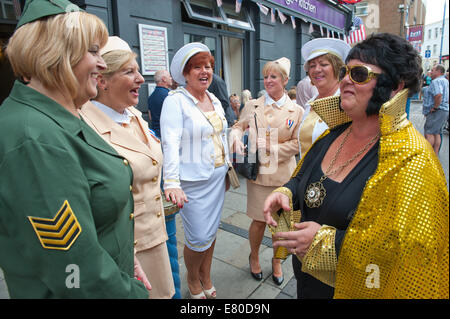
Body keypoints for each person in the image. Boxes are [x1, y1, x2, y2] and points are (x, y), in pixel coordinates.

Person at [263, 33, 449, 299]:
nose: (346, 80)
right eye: (345, 72)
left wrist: (328, 243)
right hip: (307, 283)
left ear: (395, 86)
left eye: (359, 74)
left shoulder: (412, 157)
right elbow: (303, 175)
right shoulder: (336, 132)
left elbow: (411, 250)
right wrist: (286, 192)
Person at [0, 0, 149, 298]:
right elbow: (74, 273)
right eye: (93, 51)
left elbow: (92, 220)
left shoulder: (59, 113)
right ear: (55, 51)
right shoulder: (34, 137)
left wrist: (125, 258)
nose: (103, 64)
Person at [79, 36, 175, 299]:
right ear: (102, 80)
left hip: (156, 234)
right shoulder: (86, 127)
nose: (141, 79)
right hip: (127, 247)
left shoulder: (132, 114)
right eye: (129, 71)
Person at [160, 42, 229, 299]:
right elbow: (170, 141)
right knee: (198, 236)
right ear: (186, 73)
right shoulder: (176, 101)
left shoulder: (213, 98)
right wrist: (171, 182)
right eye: (197, 67)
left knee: (210, 233)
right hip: (193, 183)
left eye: (208, 66)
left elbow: (220, 133)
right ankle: (192, 277)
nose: (204, 71)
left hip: (218, 178)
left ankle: (206, 275)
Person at [230, 57, 304, 286]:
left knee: (281, 224)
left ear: (285, 80)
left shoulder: (297, 110)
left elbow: (297, 145)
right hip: (259, 176)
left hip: (284, 178)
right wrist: (234, 137)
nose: (268, 80)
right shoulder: (252, 105)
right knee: (259, 221)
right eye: (266, 76)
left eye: (273, 76)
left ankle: (277, 261)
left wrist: (271, 147)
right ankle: (254, 256)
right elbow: (237, 126)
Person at [297, 38, 351, 159]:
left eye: (324, 64)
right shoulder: (310, 104)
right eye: (312, 66)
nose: (316, 69)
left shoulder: (345, 103)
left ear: (337, 68)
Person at [424, 64, 449, 155]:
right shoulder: (445, 81)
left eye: (433, 70)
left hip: (437, 111)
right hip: (444, 110)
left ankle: (428, 155)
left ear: (438, 72)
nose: (431, 71)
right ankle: (435, 154)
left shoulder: (436, 81)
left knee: (429, 133)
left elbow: (438, 95)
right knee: (437, 133)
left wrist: (435, 107)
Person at [148, 69, 173, 138]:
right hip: (168, 135)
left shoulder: (151, 97)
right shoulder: (170, 96)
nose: (171, 78)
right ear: (164, 79)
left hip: (156, 136)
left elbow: (150, 117)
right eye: (169, 76)